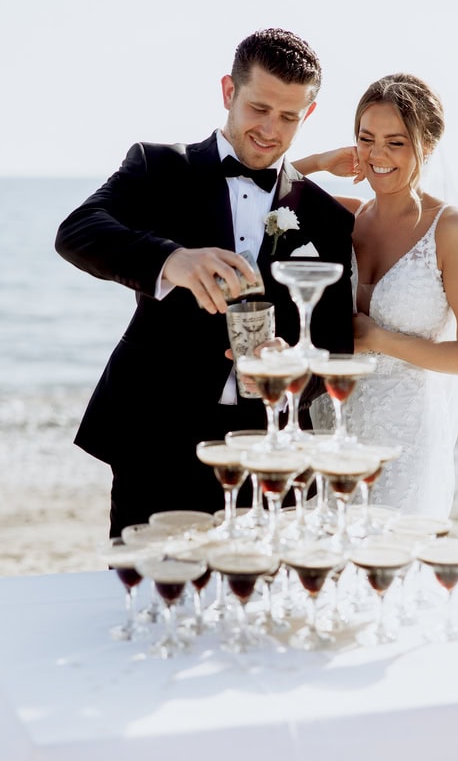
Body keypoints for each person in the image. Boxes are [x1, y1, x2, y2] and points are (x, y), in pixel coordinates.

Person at [55, 28, 354, 536]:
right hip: (156, 436)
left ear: (308, 115)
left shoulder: (326, 217)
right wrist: (172, 260)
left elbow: (333, 343)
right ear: (228, 91)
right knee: (153, 596)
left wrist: (292, 365)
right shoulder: (156, 167)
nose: (270, 129)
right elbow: (77, 232)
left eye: (288, 117)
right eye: (259, 108)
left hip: (268, 451)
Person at [294, 73, 458, 517]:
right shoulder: (345, 216)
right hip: (330, 435)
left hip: (404, 441)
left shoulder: (451, 230)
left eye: (396, 143)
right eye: (366, 139)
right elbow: (268, 186)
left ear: (426, 147)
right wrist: (321, 160)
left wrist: (379, 339)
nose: (377, 155)